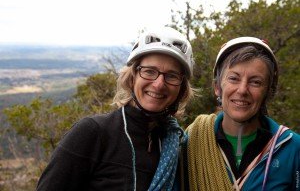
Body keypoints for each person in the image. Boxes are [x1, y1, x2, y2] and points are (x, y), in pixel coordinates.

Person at [36, 26, 195, 191]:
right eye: (149, 71)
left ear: (181, 88)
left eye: (172, 76)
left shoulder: (174, 144)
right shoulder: (93, 133)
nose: (159, 84)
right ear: (132, 76)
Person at [181, 37, 300, 191]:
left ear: (268, 92)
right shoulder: (190, 143)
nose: (243, 90)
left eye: (255, 82)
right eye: (234, 78)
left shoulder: (292, 148)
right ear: (217, 86)